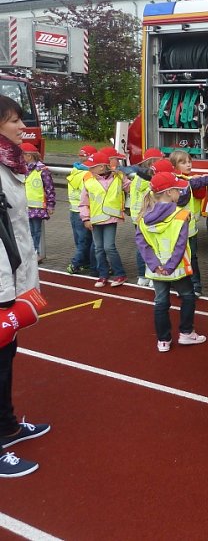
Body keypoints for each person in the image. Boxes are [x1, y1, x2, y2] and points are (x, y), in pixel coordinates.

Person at [0, 95, 50, 478]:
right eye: (14, 120)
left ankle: (7, 426)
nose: (23, 126)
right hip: (1, 283)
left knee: (6, 358)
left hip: (10, 281)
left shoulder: (10, 163)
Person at [136, 171, 206, 352]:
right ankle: (186, 332)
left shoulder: (143, 216)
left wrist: (155, 265)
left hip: (156, 271)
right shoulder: (180, 215)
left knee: (161, 302)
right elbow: (181, 244)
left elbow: (142, 244)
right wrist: (170, 266)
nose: (180, 192)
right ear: (168, 192)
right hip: (177, 268)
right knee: (188, 296)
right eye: (177, 189)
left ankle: (163, 340)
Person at [170, 149, 208, 296]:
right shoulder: (186, 182)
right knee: (189, 258)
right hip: (186, 229)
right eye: (183, 162)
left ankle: (187, 285)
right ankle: (195, 286)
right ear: (174, 166)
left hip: (180, 229)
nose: (188, 165)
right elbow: (203, 181)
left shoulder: (177, 180)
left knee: (184, 257)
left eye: (189, 162)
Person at [79, 151, 130, 288]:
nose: (89, 169)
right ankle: (103, 275)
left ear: (101, 167)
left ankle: (120, 274)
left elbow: (131, 187)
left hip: (111, 219)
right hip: (95, 220)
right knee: (98, 248)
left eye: (92, 166)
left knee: (109, 247)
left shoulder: (119, 177)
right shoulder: (88, 180)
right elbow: (83, 202)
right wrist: (85, 219)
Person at [129, 147, 165, 287]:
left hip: (138, 217)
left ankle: (142, 276)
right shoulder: (150, 181)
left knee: (142, 246)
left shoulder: (137, 178)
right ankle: (152, 276)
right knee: (153, 246)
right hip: (148, 216)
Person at [66, 145, 98, 275]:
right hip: (85, 211)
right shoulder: (87, 174)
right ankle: (75, 263)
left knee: (80, 239)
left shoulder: (75, 171)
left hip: (74, 210)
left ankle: (85, 262)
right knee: (86, 241)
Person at [21, 142, 55, 262]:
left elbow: (49, 188)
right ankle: (31, 253)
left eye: (22, 155)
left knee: (35, 231)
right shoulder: (23, 169)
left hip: (37, 208)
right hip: (26, 206)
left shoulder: (42, 170)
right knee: (28, 231)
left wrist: (50, 205)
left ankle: (35, 253)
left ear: (29, 156)